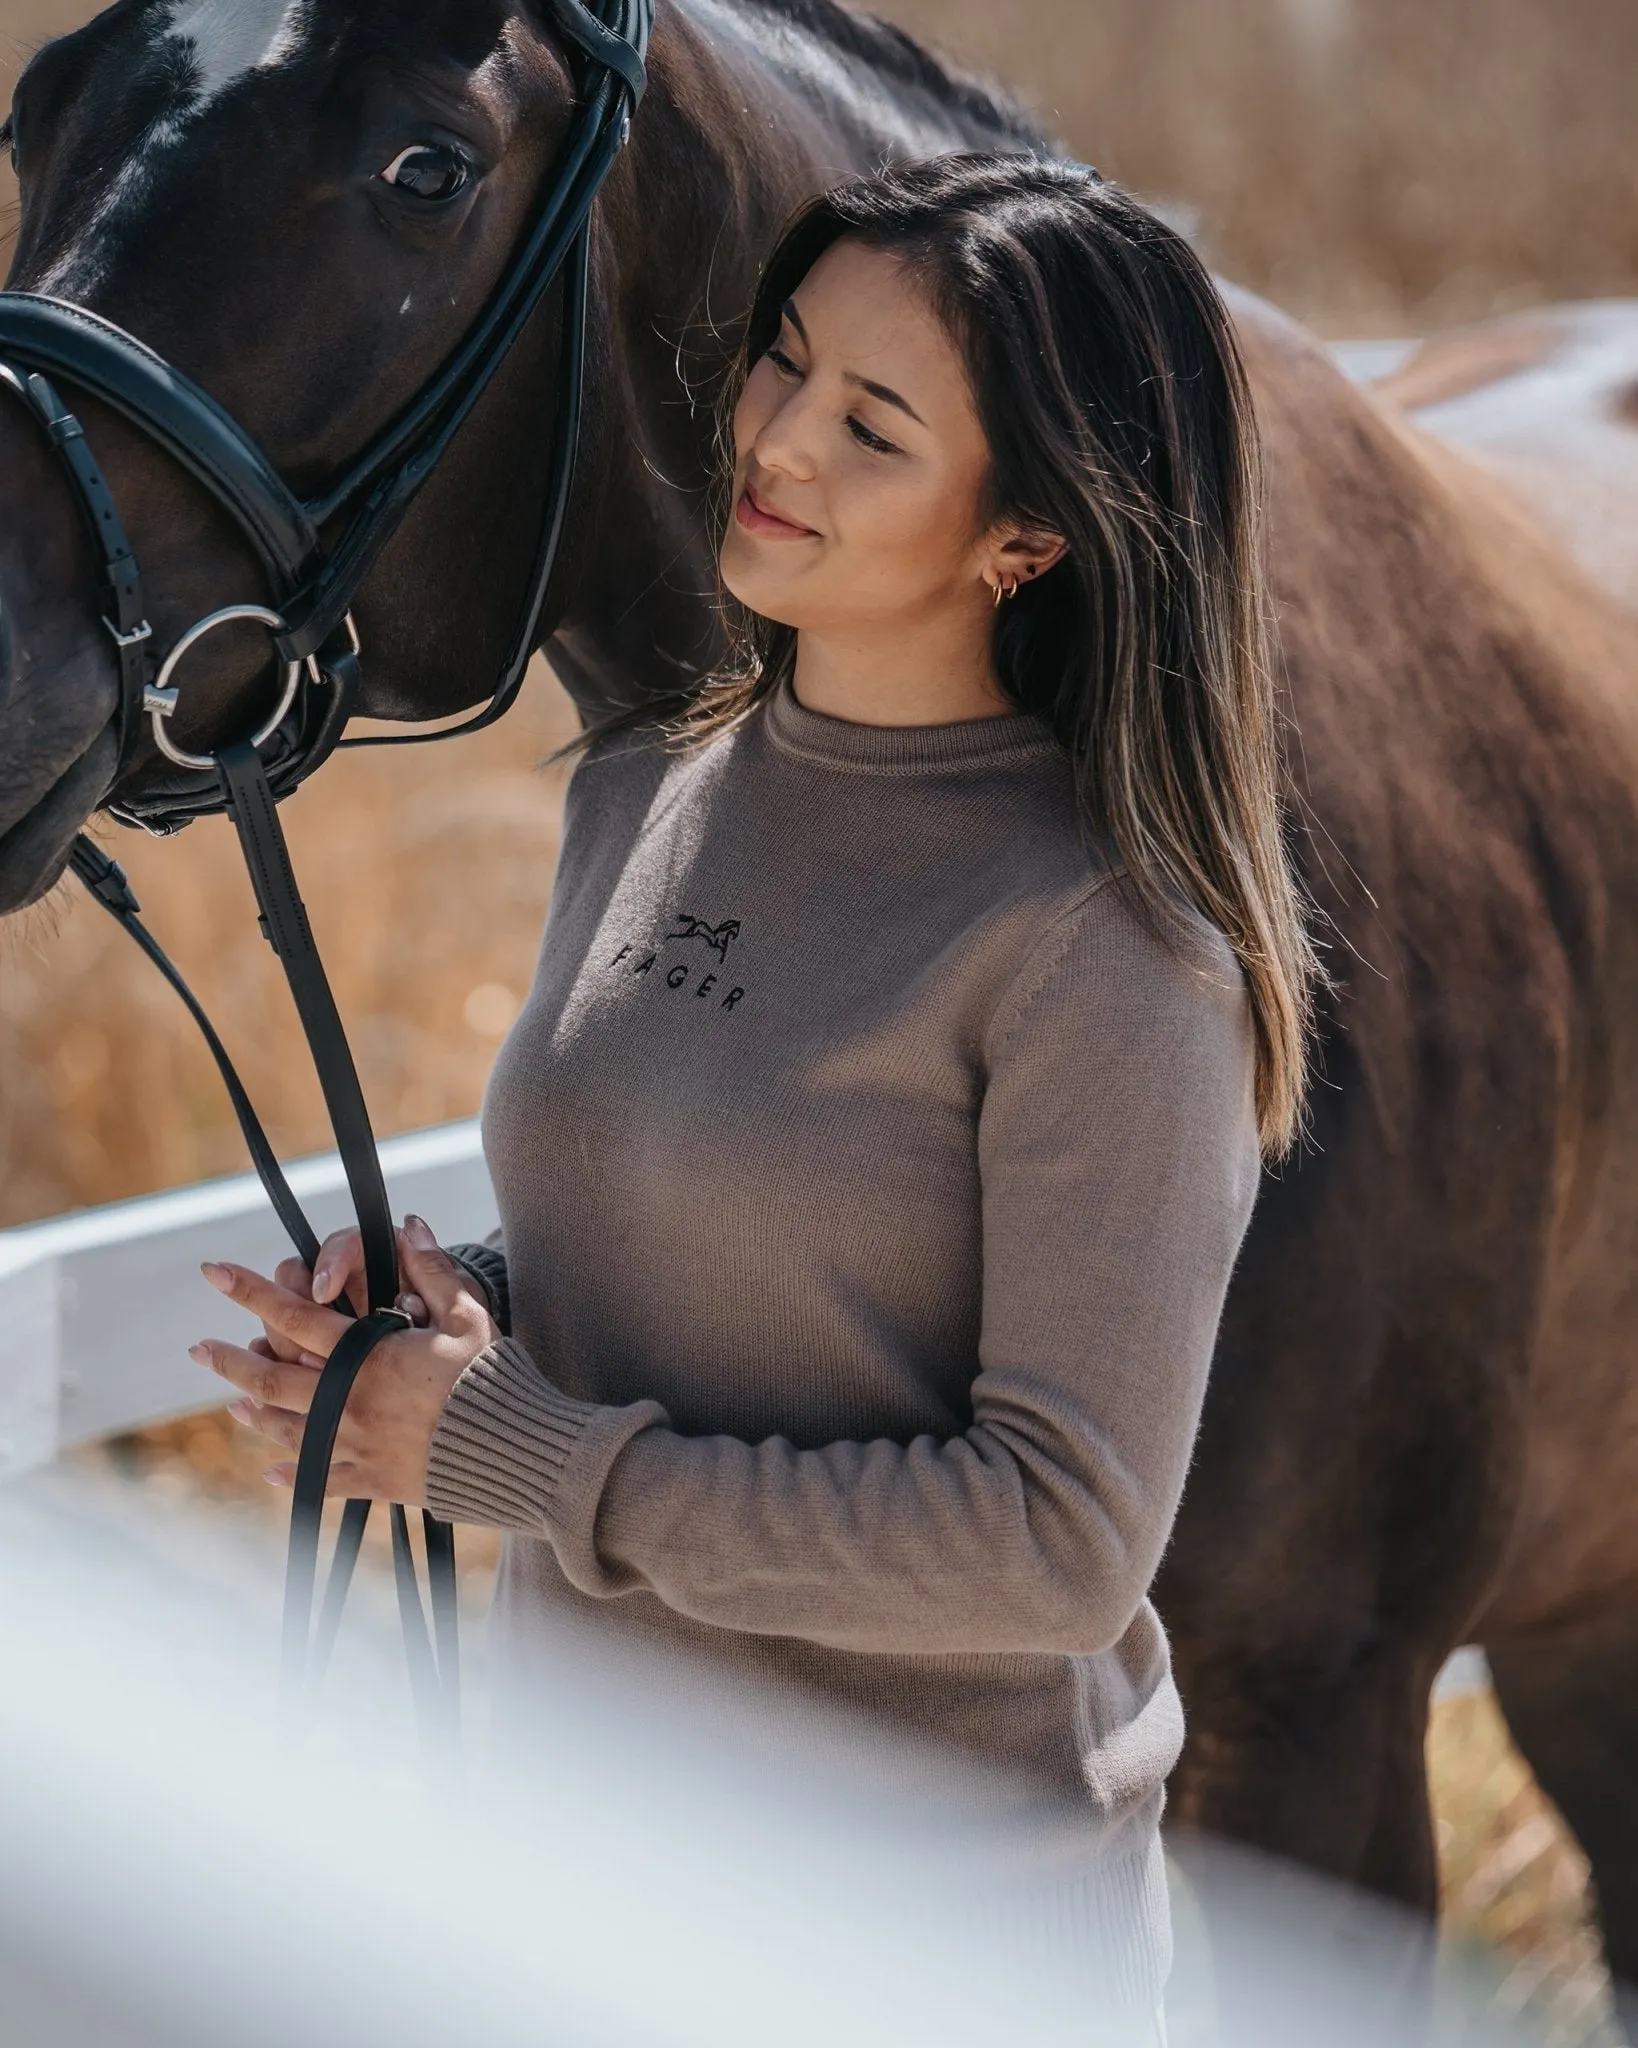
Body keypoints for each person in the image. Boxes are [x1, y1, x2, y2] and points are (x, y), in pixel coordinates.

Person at [191, 154, 1318, 2034]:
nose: (773, 437)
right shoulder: (639, 790)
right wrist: (474, 1304)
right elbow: (719, 1259)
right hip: (572, 1871)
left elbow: (1055, 1543)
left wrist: (508, 1456)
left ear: (1023, 534)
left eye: (869, 425)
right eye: (784, 363)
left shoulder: (1104, 944)